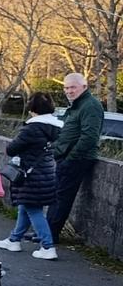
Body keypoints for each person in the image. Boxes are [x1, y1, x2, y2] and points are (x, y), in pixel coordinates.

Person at [0, 93, 61, 260]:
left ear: (32, 109)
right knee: (26, 207)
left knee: (34, 210)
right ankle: (14, 240)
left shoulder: (32, 128)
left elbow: (11, 149)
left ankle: (47, 246)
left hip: (31, 175)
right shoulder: (57, 127)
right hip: (47, 173)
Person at [46, 72, 104, 244]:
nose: (68, 91)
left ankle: (50, 236)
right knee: (56, 195)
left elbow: (90, 137)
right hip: (66, 157)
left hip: (77, 159)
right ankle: (46, 233)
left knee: (62, 196)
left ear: (84, 87)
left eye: (72, 87)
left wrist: (71, 157)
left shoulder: (90, 105)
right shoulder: (77, 105)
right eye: (66, 87)